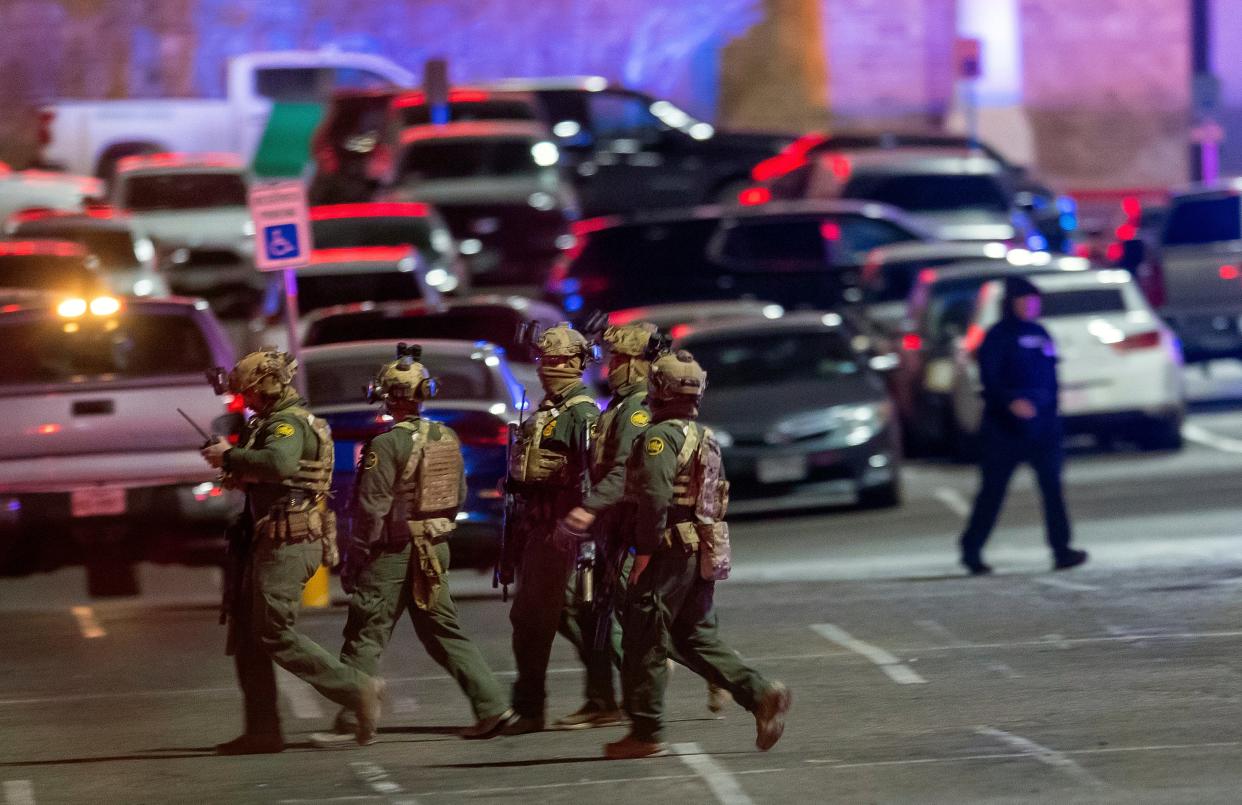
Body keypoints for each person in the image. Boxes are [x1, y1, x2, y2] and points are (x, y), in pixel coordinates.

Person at [309, 345, 514, 747]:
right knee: (443, 630)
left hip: (392, 550)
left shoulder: (385, 445)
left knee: (367, 629)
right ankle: (491, 705)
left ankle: (353, 715)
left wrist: (356, 554)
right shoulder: (446, 436)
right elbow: (457, 492)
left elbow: (372, 508)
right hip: (434, 546)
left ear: (387, 394)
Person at [607, 350, 791, 760]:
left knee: (644, 641)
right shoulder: (703, 437)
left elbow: (654, 498)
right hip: (698, 550)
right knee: (693, 637)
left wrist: (643, 551)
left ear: (658, 389)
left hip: (667, 552)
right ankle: (760, 695)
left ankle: (646, 732)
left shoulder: (661, 438)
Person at [201, 349, 383, 755]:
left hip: (288, 539)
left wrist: (228, 455)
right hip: (268, 537)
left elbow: (281, 465)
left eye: (249, 393)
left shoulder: (285, 424)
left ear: (266, 387)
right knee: (249, 638)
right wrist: (234, 464)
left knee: (272, 631)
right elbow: (268, 477)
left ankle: (358, 690)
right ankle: (262, 730)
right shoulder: (268, 421)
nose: (245, 401)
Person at [560, 323, 729, 729]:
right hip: (611, 529)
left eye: (620, 359)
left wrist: (590, 509)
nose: (612, 367)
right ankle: (607, 699)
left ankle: (687, 689)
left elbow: (630, 477)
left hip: (628, 530)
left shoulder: (639, 411)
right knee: (596, 611)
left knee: (646, 621)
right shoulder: (619, 406)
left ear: (641, 365)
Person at [503, 323, 602, 735]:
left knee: (532, 620)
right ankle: (612, 689)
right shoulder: (548, 409)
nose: (548, 368)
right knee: (564, 618)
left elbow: (594, 477)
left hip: (562, 532)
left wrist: (585, 528)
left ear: (578, 364)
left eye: (559, 360)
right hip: (537, 527)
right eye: (544, 359)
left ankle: (531, 709)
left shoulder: (581, 413)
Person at [958, 275, 1089, 576]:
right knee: (992, 492)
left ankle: (1062, 549)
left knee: (1053, 490)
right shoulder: (997, 337)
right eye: (1024, 302)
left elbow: (1051, 375)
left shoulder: (1041, 333)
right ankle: (971, 550)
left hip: (1043, 428)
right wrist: (1009, 403)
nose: (1030, 307)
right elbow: (989, 379)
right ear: (1010, 304)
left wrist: (1051, 414)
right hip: (1004, 430)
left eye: (1034, 301)